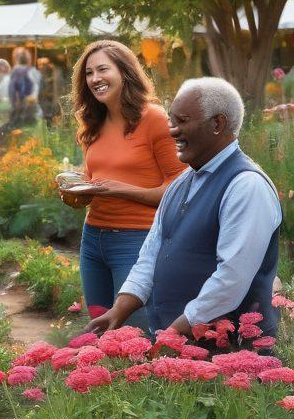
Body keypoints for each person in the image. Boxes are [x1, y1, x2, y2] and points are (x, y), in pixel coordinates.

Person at [87, 77, 282, 339]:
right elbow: (150, 256)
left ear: (217, 124)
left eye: (182, 121)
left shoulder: (246, 186)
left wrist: (175, 332)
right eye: (171, 120)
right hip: (179, 347)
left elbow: (230, 282)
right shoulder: (181, 183)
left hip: (229, 355)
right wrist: (119, 310)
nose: (172, 131)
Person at [63, 39, 185, 325]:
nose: (95, 79)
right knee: (99, 329)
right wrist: (79, 191)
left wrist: (119, 190)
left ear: (125, 72)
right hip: (93, 241)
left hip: (137, 240)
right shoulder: (92, 123)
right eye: (89, 74)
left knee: (134, 337)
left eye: (102, 69)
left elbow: (179, 190)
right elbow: (96, 180)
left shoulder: (154, 119)